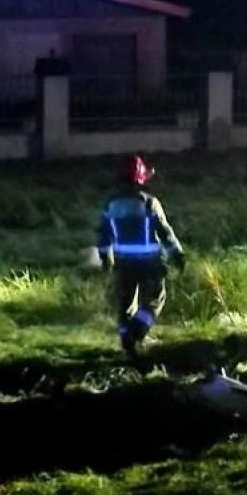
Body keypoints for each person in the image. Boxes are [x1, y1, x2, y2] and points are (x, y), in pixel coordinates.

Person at [98, 153, 186, 358]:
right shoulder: (149, 202)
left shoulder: (111, 204)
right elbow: (165, 231)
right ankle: (135, 334)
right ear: (142, 178)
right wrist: (177, 254)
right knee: (155, 299)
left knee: (126, 303)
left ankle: (125, 342)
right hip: (150, 263)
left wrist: (105, 258)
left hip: (123, 262)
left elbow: (103, 234)